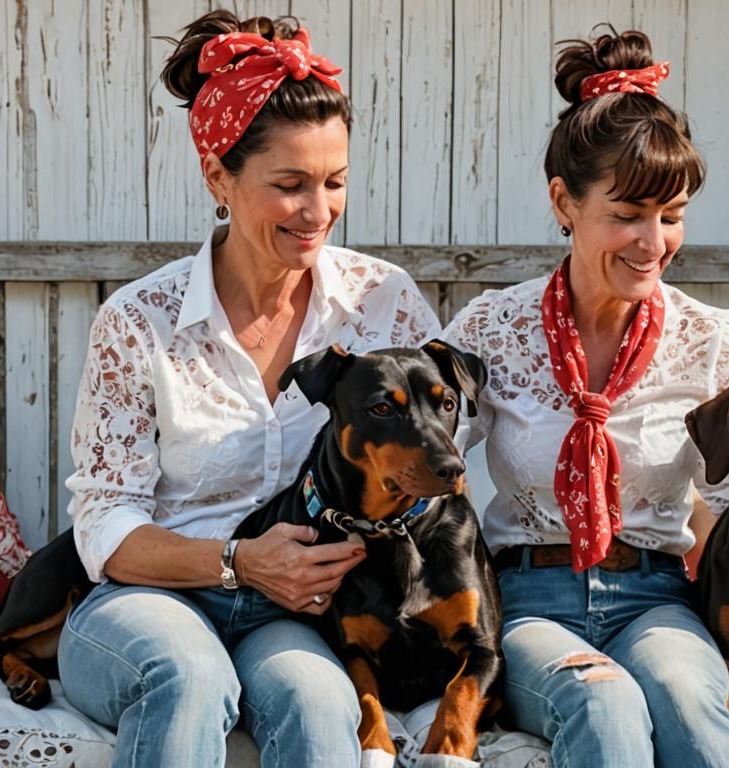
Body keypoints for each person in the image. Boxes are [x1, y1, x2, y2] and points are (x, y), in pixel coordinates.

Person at [441, 27, 729, 767]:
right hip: (527, 598)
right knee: (602, 700)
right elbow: (426, 467)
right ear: (564, 201)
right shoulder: (493, 328)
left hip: (655, 597)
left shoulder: (712, 341)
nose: (653, 241)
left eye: (672, 214)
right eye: (627, 214)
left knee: (691, 700)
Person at [56, 11, 441, 767]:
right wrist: (239, 561)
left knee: (320, 702)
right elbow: (104, 524)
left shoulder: (380, 302)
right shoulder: (139, 320)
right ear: (218, 177)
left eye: (334, 183)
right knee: (188, 677)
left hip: (295, 614)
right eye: (290, 185)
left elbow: (433, 442)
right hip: (150, 602)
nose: (319, 211)